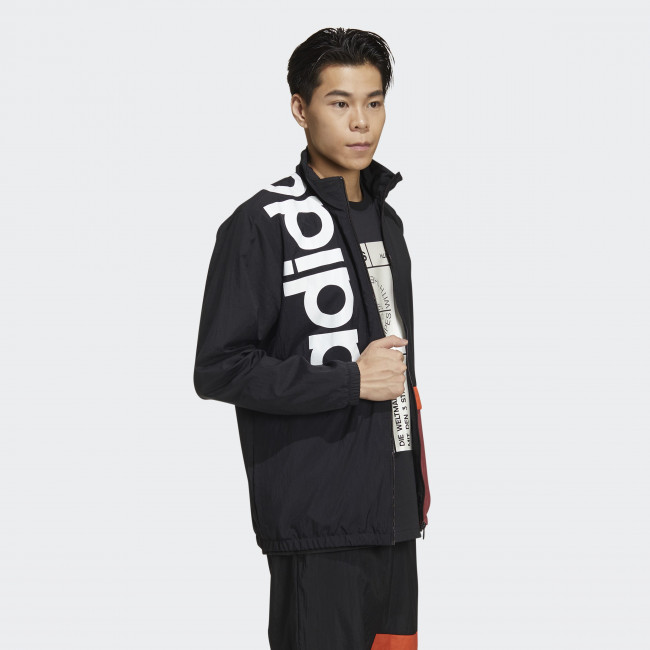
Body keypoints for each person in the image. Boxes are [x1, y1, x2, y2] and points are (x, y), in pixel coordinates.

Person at [193, 27, 431, 650]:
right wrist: (349, 381)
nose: (361, 122)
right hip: (320, 523)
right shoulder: (262, 223)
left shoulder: (386, 218)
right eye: (340, 102)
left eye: (374, 102)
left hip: (394, 516)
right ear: (300, 109)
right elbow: (219, 367)